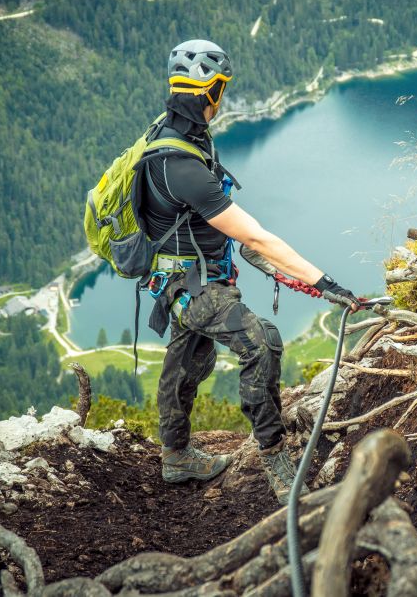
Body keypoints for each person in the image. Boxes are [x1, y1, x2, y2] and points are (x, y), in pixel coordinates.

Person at [136, 39, 360, 504]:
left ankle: (175, 456)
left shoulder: (174, 135)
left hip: (177, 279)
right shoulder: (183, 163)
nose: (223, 99)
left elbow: (209, 225)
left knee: (187, 362)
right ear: (210, 91)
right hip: (195, 287)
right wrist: (325, 283)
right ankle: (275, 456)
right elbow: (255, 236)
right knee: (262, 342)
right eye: (221, 89)